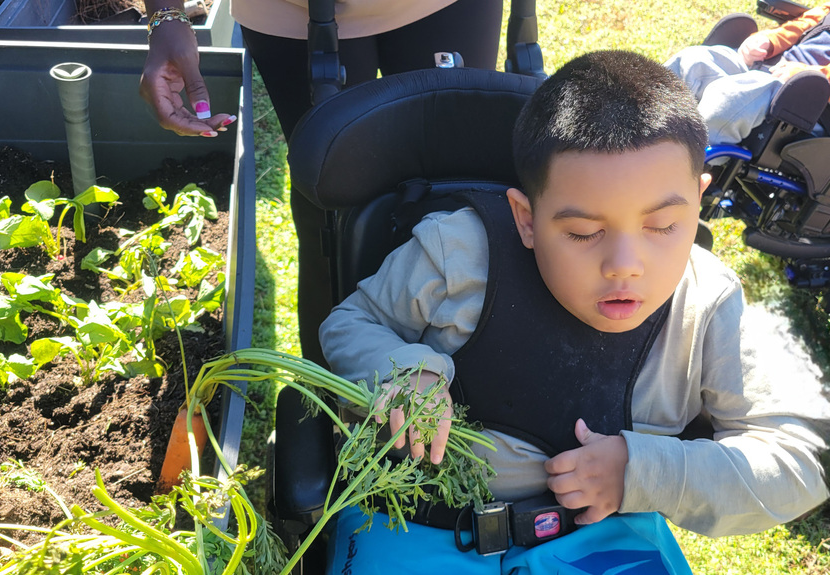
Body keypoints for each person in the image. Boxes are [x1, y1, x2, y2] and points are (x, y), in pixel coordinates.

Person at [318, 50, 830, 573]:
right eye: (584, 233)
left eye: (662, 227)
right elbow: (350, 324)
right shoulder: (458, 256)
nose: (625, 266)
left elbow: (797, 462)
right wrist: (405, 370)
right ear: (526, 218)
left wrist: (643, 472)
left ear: (698, 203)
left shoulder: (709, 299)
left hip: (605, 537)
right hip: (416, 524)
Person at [139, 0, 503, 367]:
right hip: (293, 13)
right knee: (328, 220)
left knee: (454, 210)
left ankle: (454, 402)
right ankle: (330, 404)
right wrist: (165, 15)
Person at [665, 2, 830, 145]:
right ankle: (644, 130)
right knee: (694, 61)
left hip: (809, 101)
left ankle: (689, 165)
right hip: (772, 69)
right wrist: (768, 40)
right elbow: (803, 24)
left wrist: (807, 74)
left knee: (729, 96)